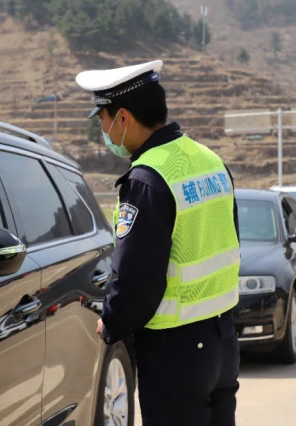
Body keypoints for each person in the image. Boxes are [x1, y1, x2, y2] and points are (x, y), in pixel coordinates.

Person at [76, 60, 241, 426]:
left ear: (123, 118)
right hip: (223, 341)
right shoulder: (211, 161)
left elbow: (138, 278)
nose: (102, 129)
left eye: (101, 118)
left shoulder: (148, 178)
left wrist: (113, 321)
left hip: (176, 353)